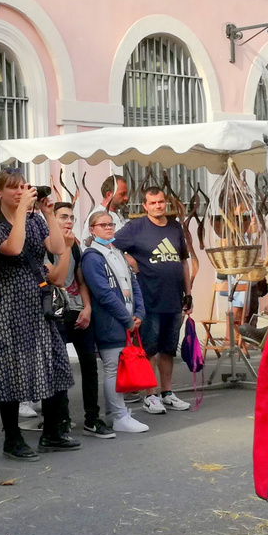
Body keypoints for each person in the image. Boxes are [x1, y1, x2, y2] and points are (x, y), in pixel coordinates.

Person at [0, 170, 77, 460]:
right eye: (13, 188)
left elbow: (58, 248)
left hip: (38, 299)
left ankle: (52, 433)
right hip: (10, 303)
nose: (21, 192)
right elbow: (14, 247)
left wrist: (47, 214)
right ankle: (13, 439)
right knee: (12, 370)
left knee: (52, 362)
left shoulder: (34, 220)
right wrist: (22, 211)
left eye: (24, 186)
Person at [114, 186, 194, 414]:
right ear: (145, 206)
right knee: (149, 349)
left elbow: (184, 262)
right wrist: (131, 261)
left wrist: (188, 293)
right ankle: (151, 396)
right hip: (149, 299)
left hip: (174, 299)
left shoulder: (174, 227)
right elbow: (111, 246)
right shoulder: (135, 228)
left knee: (168, 349)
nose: (158, 206)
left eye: (161, 202)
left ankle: (167, 393)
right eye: (153, 203)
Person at [82, 209, 149, 434]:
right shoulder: (91, 257)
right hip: (111, 322)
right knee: (113, 369)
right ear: (92, 230)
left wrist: (139, 312)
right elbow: (103, 293)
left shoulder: (118, 252)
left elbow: (133, 283)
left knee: (121, 368)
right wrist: (125, 318)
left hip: (128, 318)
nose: (109, 228)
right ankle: (119, 416)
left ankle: (117, 412)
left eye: (111, 224)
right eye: (103, 225)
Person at [49, 202, 111, 438]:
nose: (69, 221)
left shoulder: (74, 246)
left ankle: (92, 419)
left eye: (72, 217)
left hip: (77, 310)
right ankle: (61, 419)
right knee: (60, 368)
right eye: (63, 216)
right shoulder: (45, 245)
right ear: (51, 219)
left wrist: (87, 308)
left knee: (89, 364)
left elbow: (80, 279)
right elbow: (55, 278)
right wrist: (63, 248)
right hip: (55, 313)